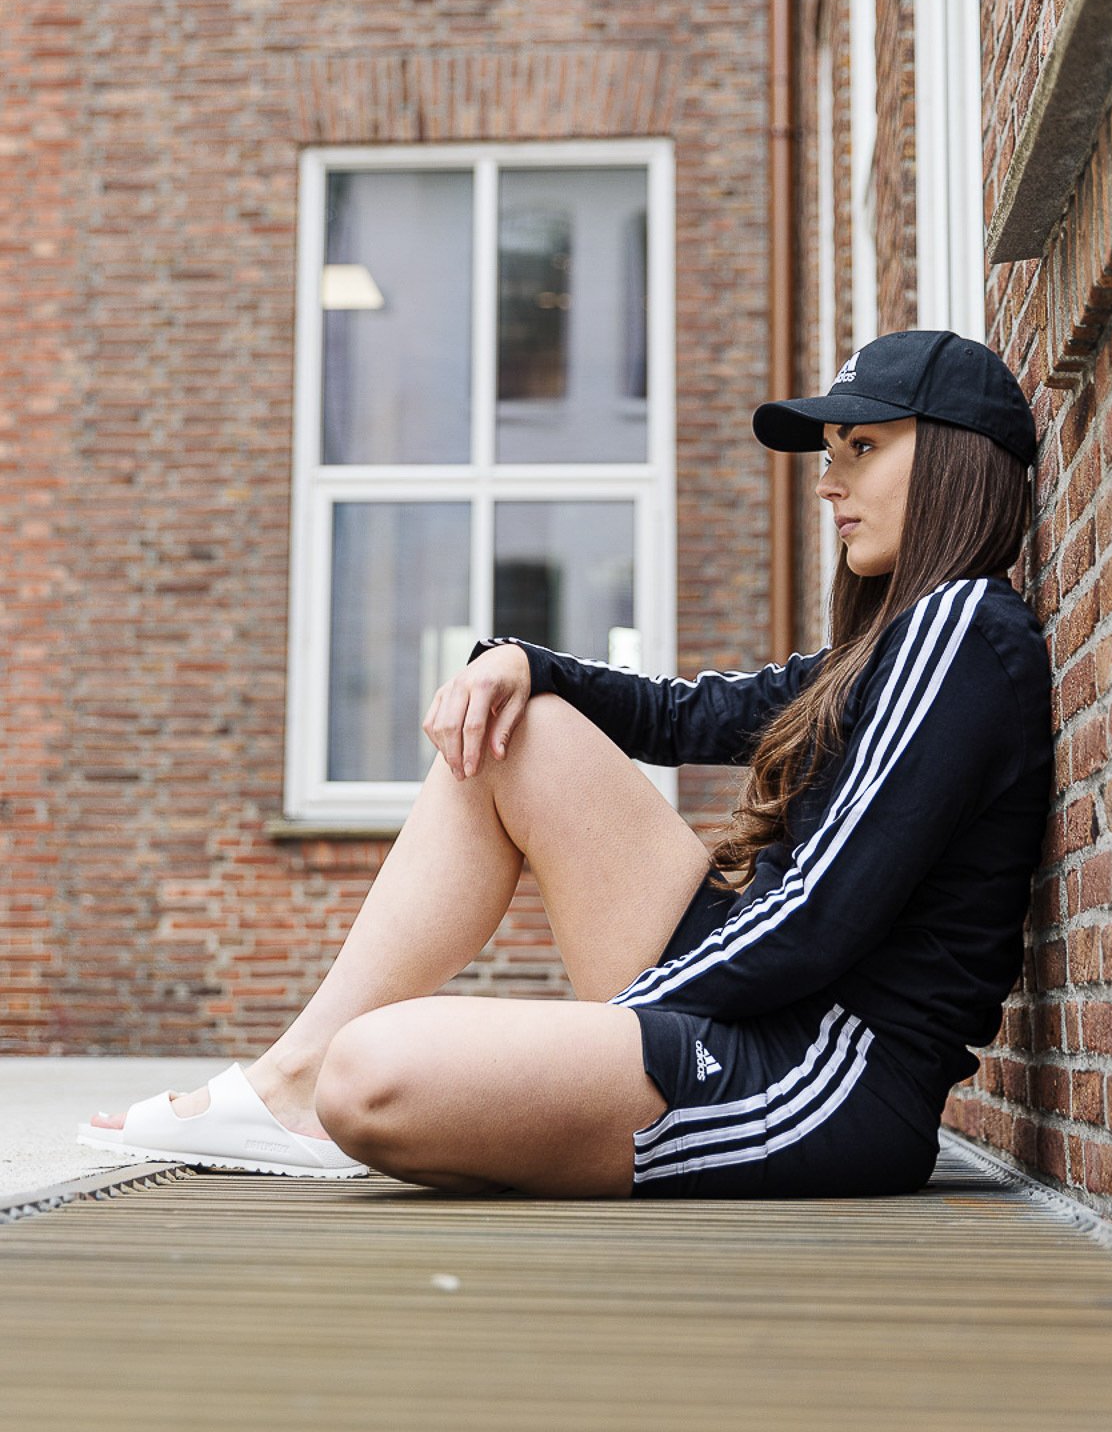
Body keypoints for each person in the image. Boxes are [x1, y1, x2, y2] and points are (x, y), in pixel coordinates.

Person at [80, 329, 1052, 1199]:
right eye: (831, 456)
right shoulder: (886, 644)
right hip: (748, 1001)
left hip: (818, 1073)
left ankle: (322, 1086)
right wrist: (522, 661)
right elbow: (686, 714)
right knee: (519, 726)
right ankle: (285, 1080)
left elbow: (818, 919)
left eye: (864, 448)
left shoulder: (964, 627)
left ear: (958, 460)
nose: (829, 483)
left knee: (371, 1076)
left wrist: (609, 1028)